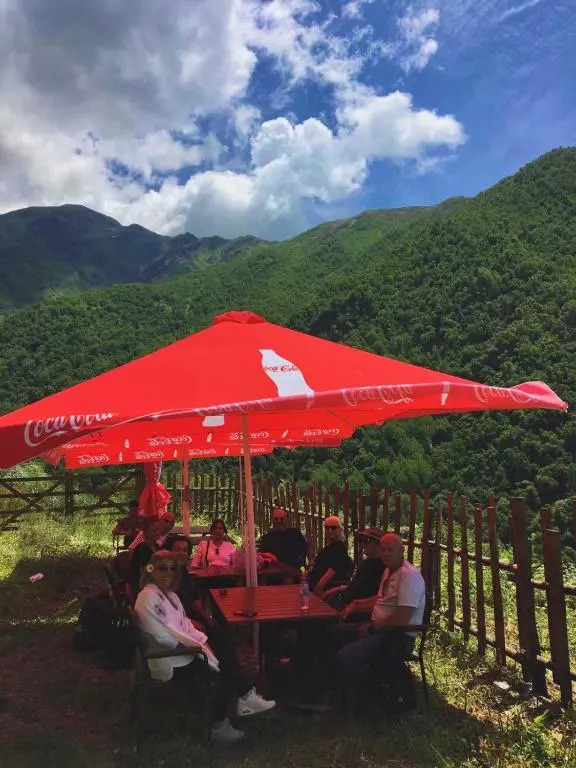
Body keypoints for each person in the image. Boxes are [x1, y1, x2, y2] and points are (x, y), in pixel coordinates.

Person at [134, 550, 275, 743]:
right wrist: (198, 645)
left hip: (183, 650)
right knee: (222, 669)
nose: (168, 573)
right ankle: (220, 723)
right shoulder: (147, 597)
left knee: (222, 641)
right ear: (151, 570)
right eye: (162, 568)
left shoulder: (170, 596)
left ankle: (245, 696)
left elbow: (185, 625)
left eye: (173, 569)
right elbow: (164, 638)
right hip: (169, 659)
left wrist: (202, 641)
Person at [330, 533, 426, 712]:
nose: (386, 554)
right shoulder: (388, 571)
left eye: (391, 550)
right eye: (383, 550)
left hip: (397, 637)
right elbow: (381, 600)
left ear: (401, 551)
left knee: (346, 656)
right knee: (332, 633)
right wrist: (356, 605)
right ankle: (332, 690)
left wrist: (371, 628)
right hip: (378, 628)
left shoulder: (409, 576)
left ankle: (369, 699)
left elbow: (401, 618)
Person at [321, 527, 385, 613]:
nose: (362, 544)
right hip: (344, 602)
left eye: (367, 541)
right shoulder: (366, 563)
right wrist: (335, 589)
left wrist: (353, 606)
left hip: (356, 610)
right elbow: (356, 585)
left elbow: (376, 597)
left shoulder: (382, 567)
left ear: (379, 544)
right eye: (361, 540)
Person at [306, 516, 353, 596]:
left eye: (333, 528)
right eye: (327, 528)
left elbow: (331, 571)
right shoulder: (330, 547)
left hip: (320, 590)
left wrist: (318, 591)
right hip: (310, 586)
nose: (330, 530)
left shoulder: (339, 548)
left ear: (340, 530)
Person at [129, 517, 164, 597]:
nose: (156, 533)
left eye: (158, 530)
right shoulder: (142, 548)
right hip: (142, 584)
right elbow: (145, 569)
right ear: (145, 532)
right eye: (153, 531)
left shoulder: (157, 547)